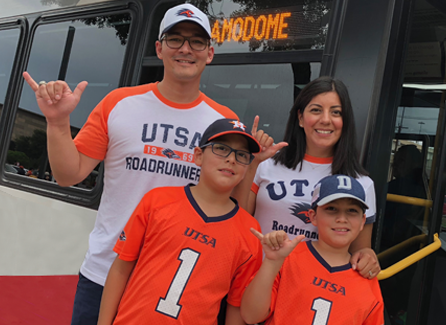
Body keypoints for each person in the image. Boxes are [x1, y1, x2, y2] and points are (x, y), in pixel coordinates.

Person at [22, 3, 239, 325]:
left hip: (174, 285)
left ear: (209, 53)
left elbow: (228, 205)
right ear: (159, 48)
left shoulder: (225, 121)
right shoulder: (119, 103)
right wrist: (57, 122)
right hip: (104, 272)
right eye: (175, 39)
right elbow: (69, 175)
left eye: (197, 42)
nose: (185, 49)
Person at [97, 118, 263, 325]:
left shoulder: (250, 231)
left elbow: (235, 306)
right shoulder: (158, 201)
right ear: (198, 156)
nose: (231, 159)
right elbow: (121, 269)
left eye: (242, 155)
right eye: (221, 148)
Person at [232, 76, 380, 279]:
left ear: (345, 121)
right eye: (316, 110)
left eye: (336, 112)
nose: (326, 119)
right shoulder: (266, 163)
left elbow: (360, 250)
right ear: (300, 118)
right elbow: (238, 220)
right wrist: (252, 164)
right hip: (255, 278)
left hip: (311, 289)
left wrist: (368, 257)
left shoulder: (362, 184)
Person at [241, 174, 384, 325]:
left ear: (362, 221)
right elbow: (251, 316)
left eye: (352, 211)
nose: (342, 218)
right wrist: (271, 262)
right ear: (313, 216)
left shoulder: (366, 277)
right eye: (332, 209)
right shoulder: (288, 258)